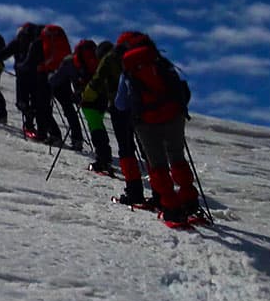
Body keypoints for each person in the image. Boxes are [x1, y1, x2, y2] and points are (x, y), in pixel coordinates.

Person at [114, 32, 199, 225]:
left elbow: (120, 103)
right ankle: (190, 201)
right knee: (177, 158)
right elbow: (181, 89)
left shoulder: (128, 69)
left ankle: (171, 208)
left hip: (146, 122)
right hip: (173, 117)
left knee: (158, 165)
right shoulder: (159, 62)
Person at [82, 39, 149, 206]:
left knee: (126, 149)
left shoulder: (109, 59)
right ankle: (161, 194)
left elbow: (97, 81)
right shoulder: (133, 58)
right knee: (146, 148)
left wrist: (85, 98)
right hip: (143, 107)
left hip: (120, 108)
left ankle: (134, 192)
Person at [39, 24, 81, 150]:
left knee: (44, 106)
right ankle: (77, 138)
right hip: (64, 75)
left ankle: (55, 134)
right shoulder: (60, 37)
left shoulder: (45, 36)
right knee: (68, 107)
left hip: (50, 75)